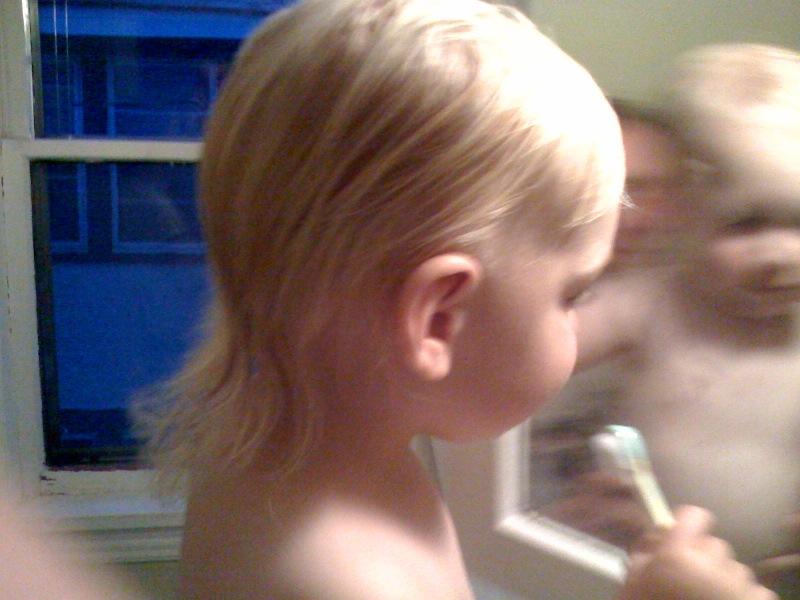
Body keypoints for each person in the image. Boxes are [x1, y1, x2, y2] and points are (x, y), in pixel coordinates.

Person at [125, 1, 777, 599]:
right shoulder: (349, 580)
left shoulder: (283, 457)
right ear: (437, 319)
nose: (581, 323)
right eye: (572, 295)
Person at [574, 43, 800, 595]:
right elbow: (512, 352)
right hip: (645, 567)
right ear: (682, 211)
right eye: (745, 223)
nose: (783, 255)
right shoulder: (648, 304)